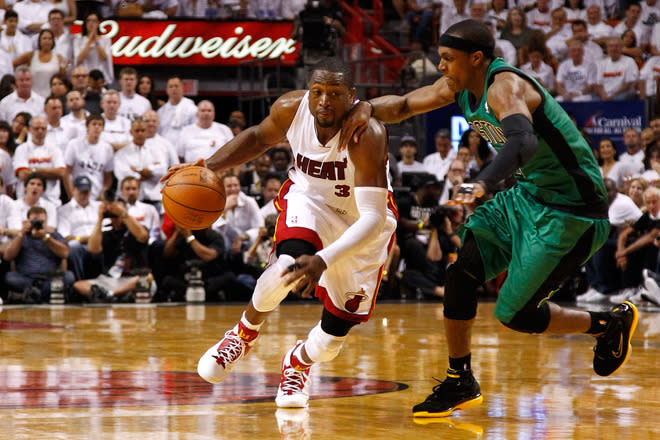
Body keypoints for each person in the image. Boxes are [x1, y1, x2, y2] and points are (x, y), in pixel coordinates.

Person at [339, 19, 637, 418]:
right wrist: (366, 109)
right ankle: (460, 378)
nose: (440, 67)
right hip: (530, 195)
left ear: (475, 58)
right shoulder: (459, 87)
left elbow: (523, 141)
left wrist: (482, 182)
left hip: (574, 209)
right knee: (461, 273)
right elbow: (408, 104)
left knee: (516, 315)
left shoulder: (505, 86)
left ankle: (607, 324)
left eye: (447, 59)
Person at [164, 57, 397, 408]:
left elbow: (372, 219)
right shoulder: (292, 108)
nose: (323, 101)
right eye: (317, 91)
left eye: (334, 93)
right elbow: (258, 137)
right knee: (284, 266)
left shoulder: (369, 134)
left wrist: (323, 259)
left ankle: (299, 362)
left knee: (332, 340)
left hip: (361, 223)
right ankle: (242, 334)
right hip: (309, 201)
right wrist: (207, 165)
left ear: (351, 97)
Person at [3, 206, 73, 304]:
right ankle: (40, 294)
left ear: (46, 223)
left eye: (41, 222)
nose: (38, 225)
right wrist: (21, 233)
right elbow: (8, 256)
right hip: (26, 278)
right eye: (34, 222)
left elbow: (65, 253)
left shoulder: (54, 236)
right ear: (28, 222)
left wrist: (46, 238)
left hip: (49, 278)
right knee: (9, 277)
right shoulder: (21, 236)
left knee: (69, 276)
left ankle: (34, 293)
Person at [113, 117, 168, 207]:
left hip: (153, 198)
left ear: (147, 131)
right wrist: (147, 173)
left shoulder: (157, 150)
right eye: (137, 131)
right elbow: (122, 174)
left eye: (143, 130)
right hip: (128, 200)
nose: (140, 134)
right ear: (131, 132)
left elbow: (162, 170)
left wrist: (138, 170)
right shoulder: (122, 153)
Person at [57, 175, 103, 280]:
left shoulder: (99, 206)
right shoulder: (64, 210)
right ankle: (79, 281)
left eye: (86, 191)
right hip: (80, 244)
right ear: (73, 190)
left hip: (99, 242)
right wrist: (81, 239)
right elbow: (65, 237)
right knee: (73, 246)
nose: (84, 195)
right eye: (81, 191)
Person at [13, 115, 66, 205]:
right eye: (36, 129)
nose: (40, 131)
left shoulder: (54, 149)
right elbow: (23, 175)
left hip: (51, 201)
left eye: (43, 128)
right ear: (29, 129)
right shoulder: (22, 149)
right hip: (26, 202)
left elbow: (61, 173)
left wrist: (35, 170)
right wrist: (50, 172)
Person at [63, 114, 114, 201]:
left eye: (100, 125)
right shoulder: (74, 144)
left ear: (103, 128)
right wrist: (71, 194)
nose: (97, 127)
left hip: (97, 195)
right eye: (94, 124)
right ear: (87, 126)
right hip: (78, 192)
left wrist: (103, 192)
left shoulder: (107, 148)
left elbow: (108, 176)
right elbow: (67, 172)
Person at [12, 29, 65, 99]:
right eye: (44, 38)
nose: (47, 41)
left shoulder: (58, 57)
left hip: (52, 96)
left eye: (49, 39)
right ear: (39, 41)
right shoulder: (31, 55)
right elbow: (14, 63)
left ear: (53, 41)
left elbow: (62, 76)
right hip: (34, 95)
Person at [73, 12, 113, 85]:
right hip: (85, 76)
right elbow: (79, 58)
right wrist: (89, 40)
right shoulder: (78, 40)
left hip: (101, 75)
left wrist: (96, 41)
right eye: (88, 21)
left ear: (98, 23)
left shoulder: (105, 40)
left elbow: (104, 57)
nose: (91, 23)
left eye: (94, 21)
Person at [156, 76, 197, 142]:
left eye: (176, 86)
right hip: (165, 148)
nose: (174, 89)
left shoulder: (192, 109)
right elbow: (158, 133)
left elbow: (196, 131)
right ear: (167, 90)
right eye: (171, 86)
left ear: (182, 88)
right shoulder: (161, 112)